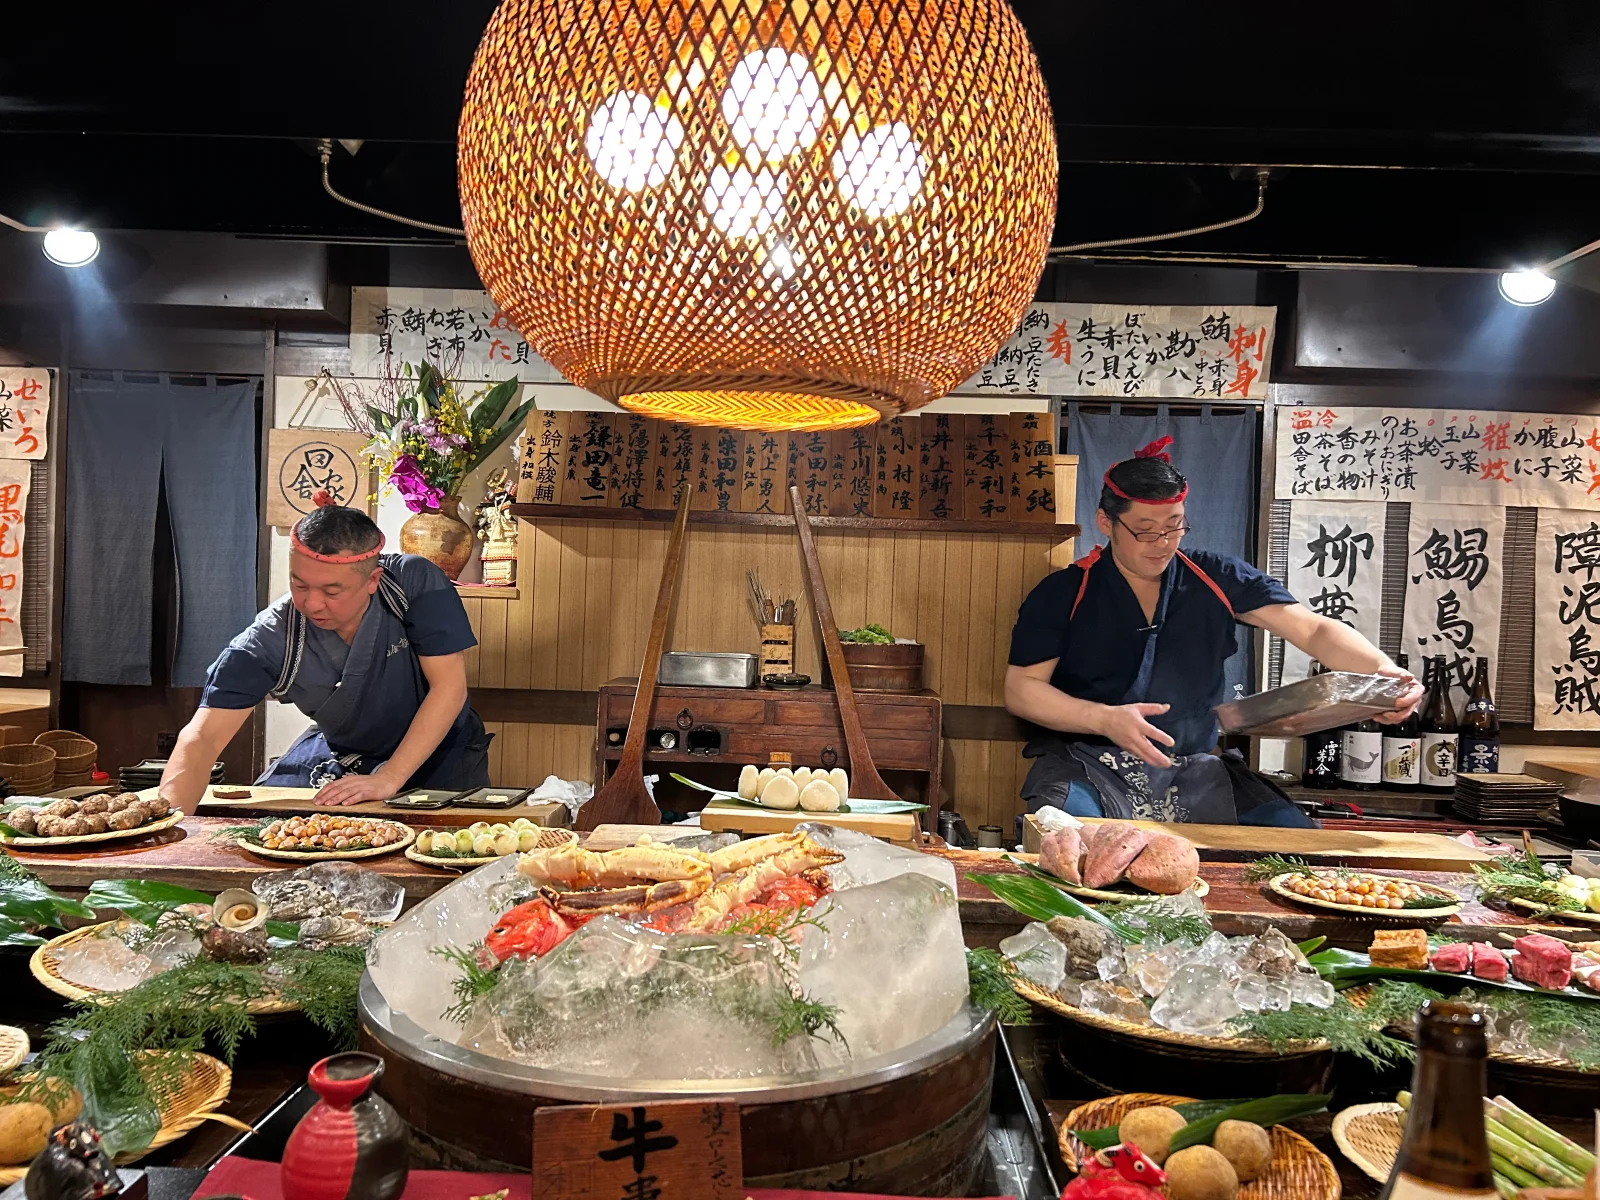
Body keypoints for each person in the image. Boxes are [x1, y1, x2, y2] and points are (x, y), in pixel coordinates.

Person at [1004, 437, 1423, 827]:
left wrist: (1382, 677)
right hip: (1087, 761)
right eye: (1145, 530)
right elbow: (1022, 689)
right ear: (1105, 522)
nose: (1163, 542)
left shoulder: (1215, 576)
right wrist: (1103, 719)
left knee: (1298, 841)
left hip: (1192, 766)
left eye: (1175, 526)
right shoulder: (1064, 592)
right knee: (1067, 838)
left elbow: (1312, 629)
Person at [159, 491, 490, 809]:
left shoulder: (412, 582)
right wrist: (167, 828)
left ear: (373, 579)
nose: (312, 603)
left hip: (443, 747)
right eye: (299, 584)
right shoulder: (270, 639)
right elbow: (202, 739)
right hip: (348, 753)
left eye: (332, 590)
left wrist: (388, 777)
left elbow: (449, 687)